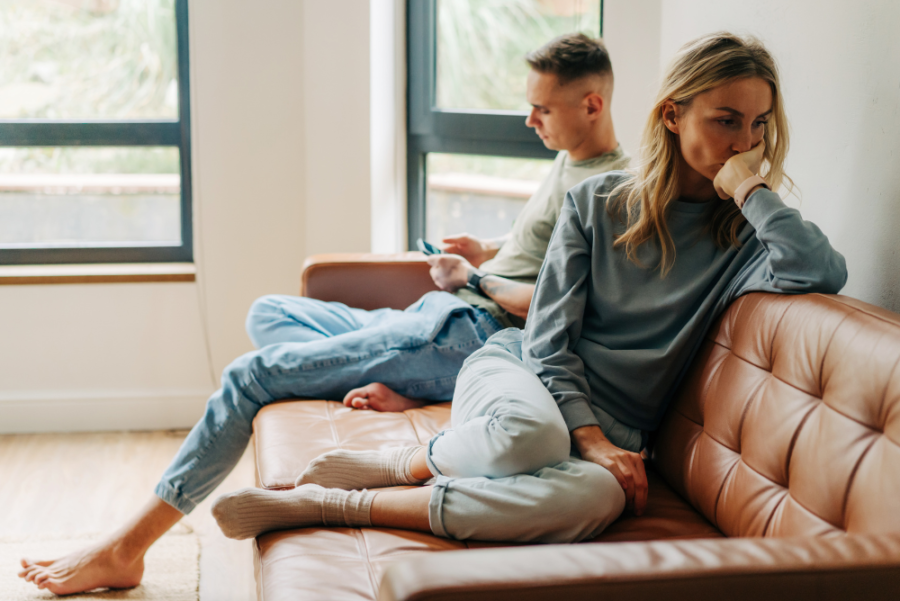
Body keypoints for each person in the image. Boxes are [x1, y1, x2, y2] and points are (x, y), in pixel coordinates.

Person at [17, 33, 629, 596]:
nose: (530, 120)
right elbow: (543, 249)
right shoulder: (569, 160)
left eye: (542, 109)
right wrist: (489, 249)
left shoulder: (610, 192)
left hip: (472, 333)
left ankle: (128, 547)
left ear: (592, 105)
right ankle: (404, 380)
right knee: (270, 310)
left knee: (250, 375)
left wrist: (477, 279)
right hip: (442, 313)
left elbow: (559, 307)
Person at [206, 32, 847, 545]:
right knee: (533, 437)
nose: (746, 144)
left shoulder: (743, 236)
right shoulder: (597, 201)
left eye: (759, 125)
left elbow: (819, 271)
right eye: (727, 121)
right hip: (525, 376)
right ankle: (413, 461)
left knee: (599, 498)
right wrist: (589, 438)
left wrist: (752, 190)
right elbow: (546, 341)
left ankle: (341, 504)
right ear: (673, 116)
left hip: (617, 429)